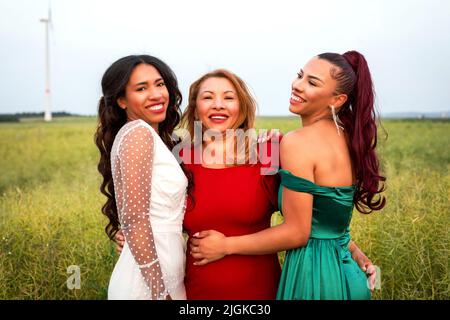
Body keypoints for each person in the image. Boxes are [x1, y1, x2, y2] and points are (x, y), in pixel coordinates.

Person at [115, 67, 376, 300]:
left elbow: (314, 214)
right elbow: (157, 214)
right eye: (207, 97)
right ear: (195, 108)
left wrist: (352, 250)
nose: (218, 105)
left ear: (242, 107)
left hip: (260, 289)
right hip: (196, 290)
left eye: (229, 98)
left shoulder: (269, 154)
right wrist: (129, 235)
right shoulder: (179, 161)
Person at [189, 51, 384, 300]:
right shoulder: (349, 139)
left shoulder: (297, 142)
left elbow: (298, 232)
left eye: (312, 83)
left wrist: (226, 246)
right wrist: (353, 249)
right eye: (300, 76)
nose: (298, 85)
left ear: (337, 100)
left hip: (315, 277)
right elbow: (326, 218)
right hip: (347, 271)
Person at [94, 55, 192, 300]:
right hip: (148, 282)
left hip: (165, 265)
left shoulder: (149, 136)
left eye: (159, 84)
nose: (156, 94)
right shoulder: (138, 134)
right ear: (122, 101)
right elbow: (135, 218)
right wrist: (160, 294)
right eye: (141, 88)